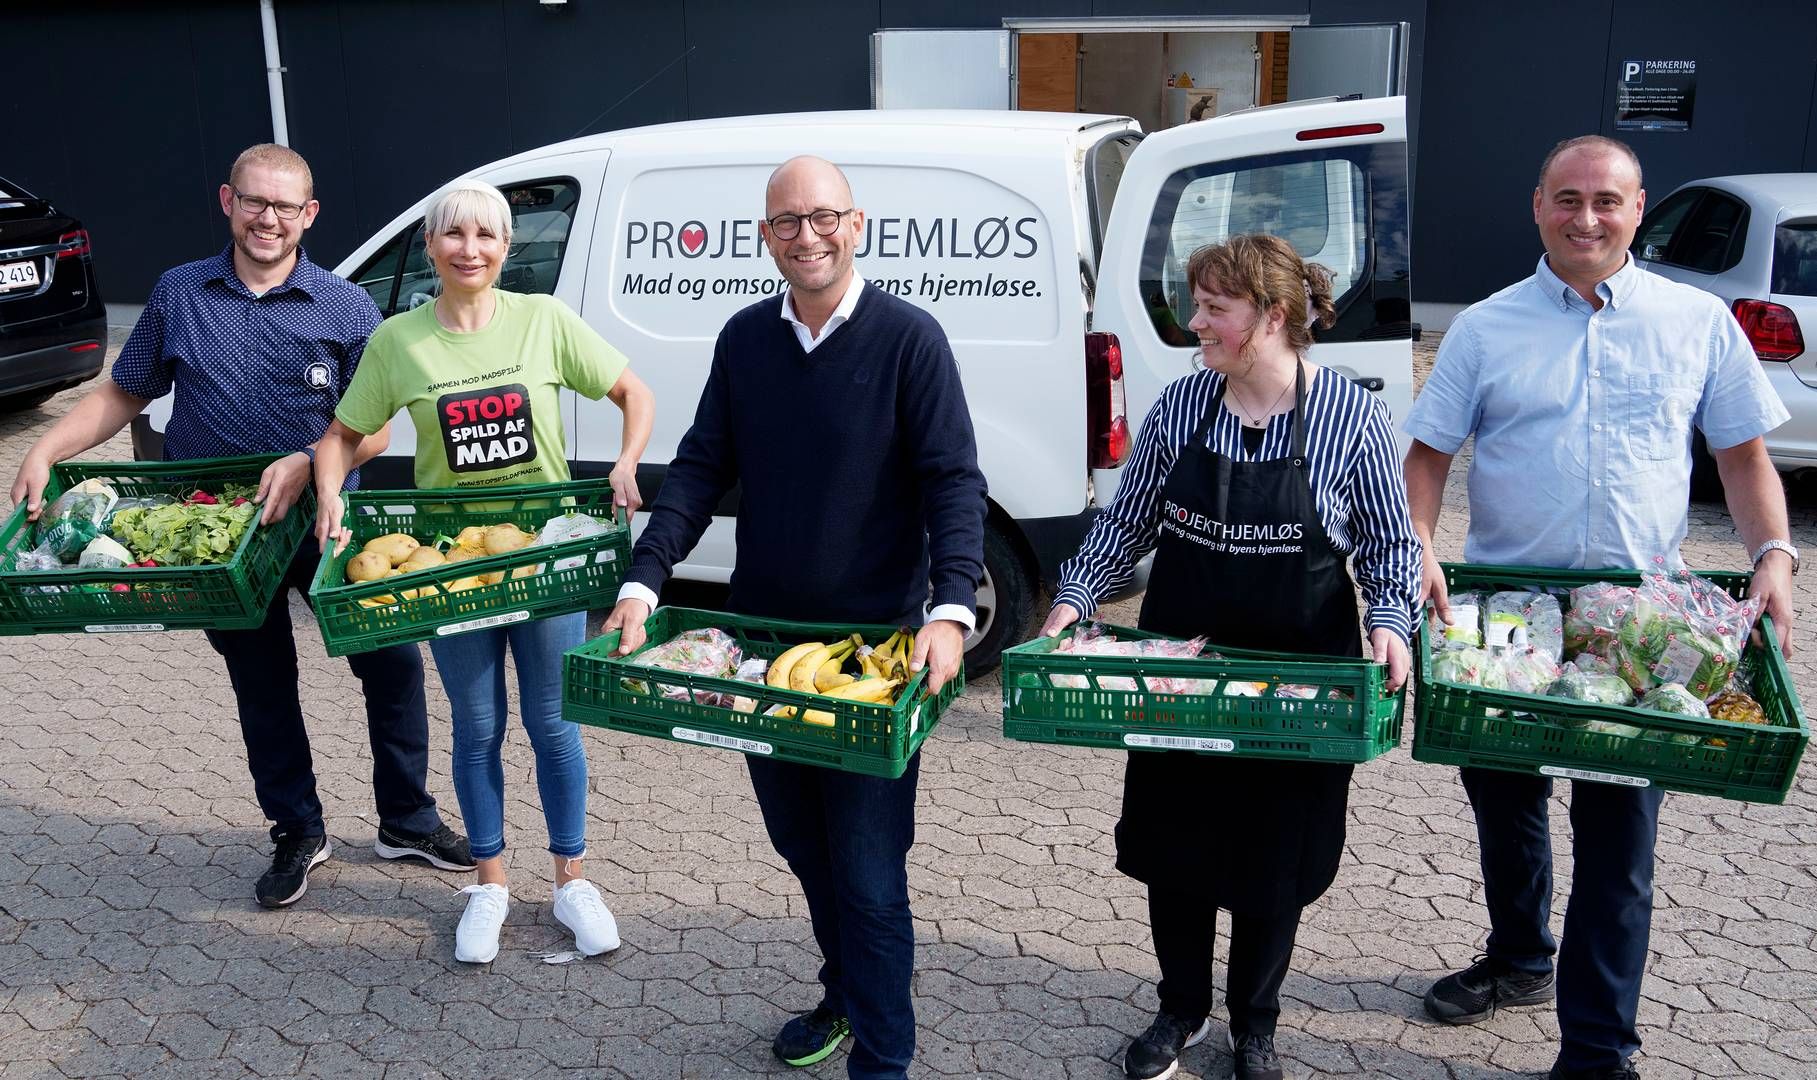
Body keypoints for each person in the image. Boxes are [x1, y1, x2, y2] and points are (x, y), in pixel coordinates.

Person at [1402, 135, 1797, 1080]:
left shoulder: (1696, 321)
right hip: (1504, 610)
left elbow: (1742, 455)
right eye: (1568, 199)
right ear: (1536, 205)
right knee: (1506, 805)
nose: (1587, 218)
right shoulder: (1486, 328)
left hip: (1642, 623)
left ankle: (1598, 1049)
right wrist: (1415, 543)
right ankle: (1519, 958)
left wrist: (1772, 554)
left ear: (1637, 209)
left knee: (1620, 840)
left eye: (1607, 202)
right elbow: (1427, 457)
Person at [600, 155, 987, 1080]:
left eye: (823, 218)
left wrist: (951, 607)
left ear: (858, 226)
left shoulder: (909, 340)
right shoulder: (745, 340)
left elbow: (952, 483)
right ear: (764, 234)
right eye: (786, 222)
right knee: (803, 848)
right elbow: (698, 467)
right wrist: (645, 581)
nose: (805, 236)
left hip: (871, 662)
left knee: (867, 872)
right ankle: (845, 994)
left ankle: (882, 1061)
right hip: (762, 654)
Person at [7, 144, 474, 908]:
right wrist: (47, 449)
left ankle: (407, 819)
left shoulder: (346, 306)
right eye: (256, 201)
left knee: (390, 664)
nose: (269, 219)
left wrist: (306, 457)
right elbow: (124, 394)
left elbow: (378, 427)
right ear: (228, 200)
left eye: (286, 207)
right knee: (262, 682)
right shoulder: (179, 293)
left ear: (309, 215)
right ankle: (297, 829)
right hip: (217, 534)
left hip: (327, 520)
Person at [1041, 233, 1421, 1080]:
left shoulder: (1349, 418)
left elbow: (1391, 549)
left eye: (1216, 308)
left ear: (1273, 316)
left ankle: (1257, 1023)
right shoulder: (1182, 406)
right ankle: (1180, 1008)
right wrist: (1074, 598)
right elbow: (1125, 525)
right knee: (1177, 846)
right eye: (1198, 303)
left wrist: (1391, 624)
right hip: (1183, 674)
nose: (1196, 321)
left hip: (1301, 684)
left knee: (1272, 858)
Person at [311, 179, 656, 965]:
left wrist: (628, 463)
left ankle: (571, 881)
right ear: (431, 246)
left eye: (488, 237)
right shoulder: (400, 341)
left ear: (506, 249)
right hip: (449, 567)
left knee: (553, 724)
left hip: (541, 561)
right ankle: (491, 885)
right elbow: (341, 436)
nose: (471, 250)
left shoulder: (542, 321)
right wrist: (329, 491)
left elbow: (634, 392)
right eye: (455, 236)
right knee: (477, 728)